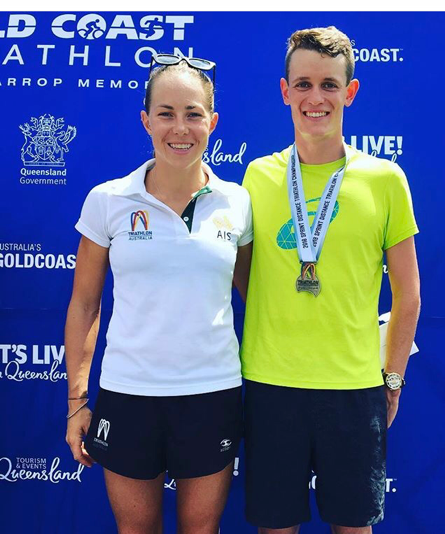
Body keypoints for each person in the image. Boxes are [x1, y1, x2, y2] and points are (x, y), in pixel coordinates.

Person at [241, 27, 420, 534]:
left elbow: (408, 295)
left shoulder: (385, 179)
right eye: (303, 84)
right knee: (275, 527)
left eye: (328, 85)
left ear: (350, 91)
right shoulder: (257, 176)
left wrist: (392, 379)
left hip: (354, 389)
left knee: (353, 527)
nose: (315, 98)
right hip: (272, 385)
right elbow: (243, 273)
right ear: (285, 91)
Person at [65, 53, 253, 534]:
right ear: (146, 120)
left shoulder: (238, 202)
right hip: (129, 394)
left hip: (212, 393)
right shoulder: (108, 199)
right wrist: (77, 402)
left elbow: (259, 298)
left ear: (212, 123)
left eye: (193, 114)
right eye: (166, 113)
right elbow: (85, 304)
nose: (180, 128)